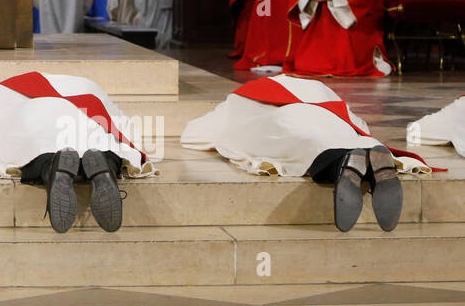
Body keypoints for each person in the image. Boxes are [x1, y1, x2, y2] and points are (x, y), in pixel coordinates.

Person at [182, 74, 432, 231]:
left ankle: (342, 163)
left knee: (299, 142)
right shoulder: (316, 87)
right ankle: (366, 156)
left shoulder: (237, 101)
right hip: (328, 113)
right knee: (339, 134)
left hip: (285, 118)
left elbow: (193, 135)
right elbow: (357, 121)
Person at [0, 71, 154, 232]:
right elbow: (124, 128)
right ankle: (106, 164)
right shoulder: (90, 87)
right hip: (84, 119)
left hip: (33, 116)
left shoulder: (6, 91)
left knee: (30, 148)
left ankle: (51, 167)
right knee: (105, 142)